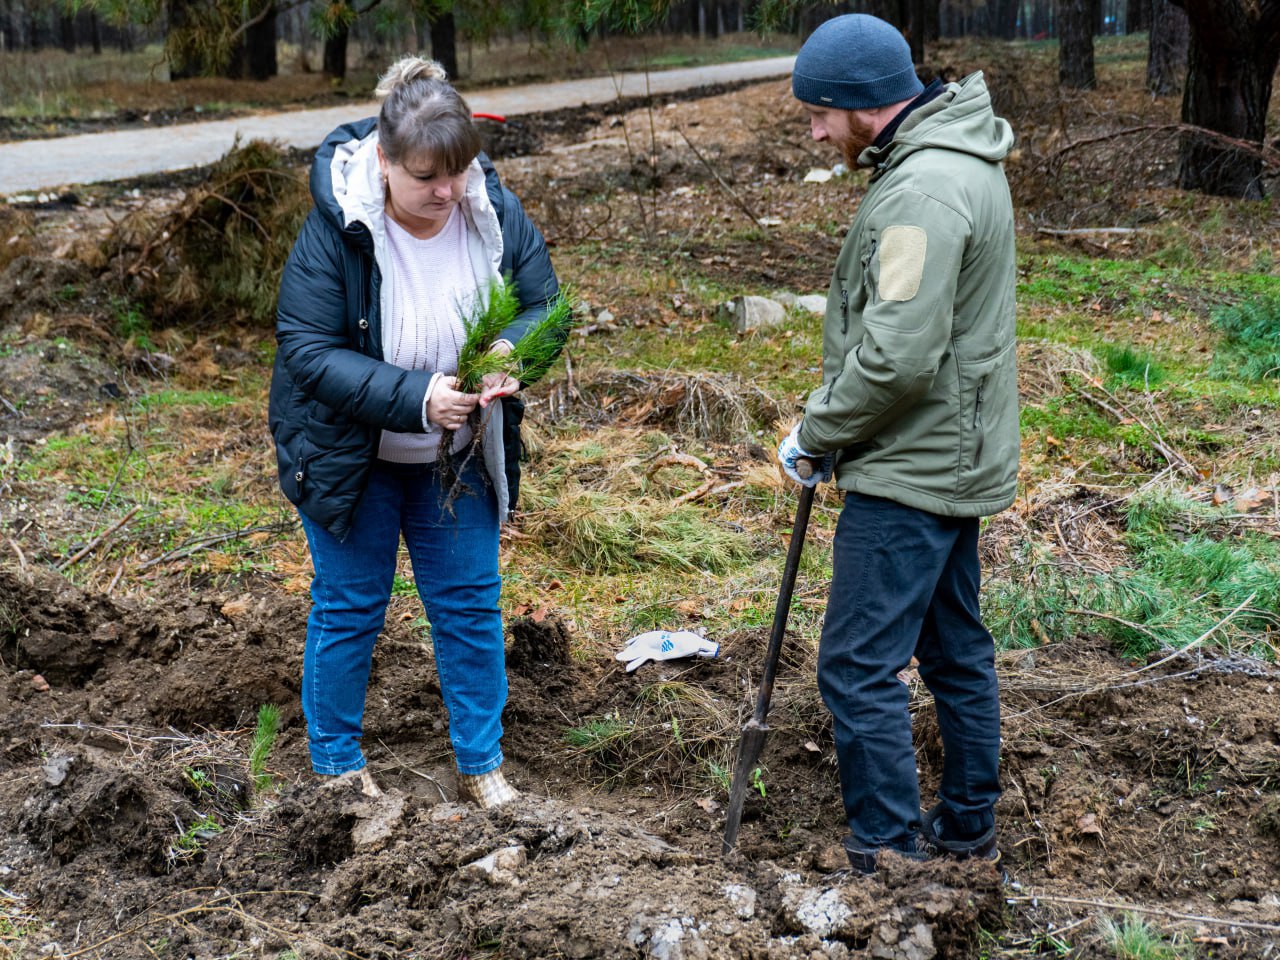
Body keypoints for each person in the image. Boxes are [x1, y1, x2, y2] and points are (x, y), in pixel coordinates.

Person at [269, 55, 559, 807]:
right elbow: (306, 350)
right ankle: (336, 764)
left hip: (453, 461)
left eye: (459, 172)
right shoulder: (337, 224)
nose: (449, 191)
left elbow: (543, 302)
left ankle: (482, 762)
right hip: (351, 457)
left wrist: (510, 351)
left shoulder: (486, 204)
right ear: (384, 160)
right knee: (350, 605)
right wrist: (415, 398)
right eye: (429, 177)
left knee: (468, 603)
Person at [776, 14, 1019, 874]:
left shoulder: (920, 193)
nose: (813, 130)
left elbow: (898, 356)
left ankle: (887, 856)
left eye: (818, 112)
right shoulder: (959, 159)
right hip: (953, 458)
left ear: (861, 106)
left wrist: (816, 430)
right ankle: (966, 830)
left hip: (911, 470)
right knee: (956, 652)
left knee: (855, 667)